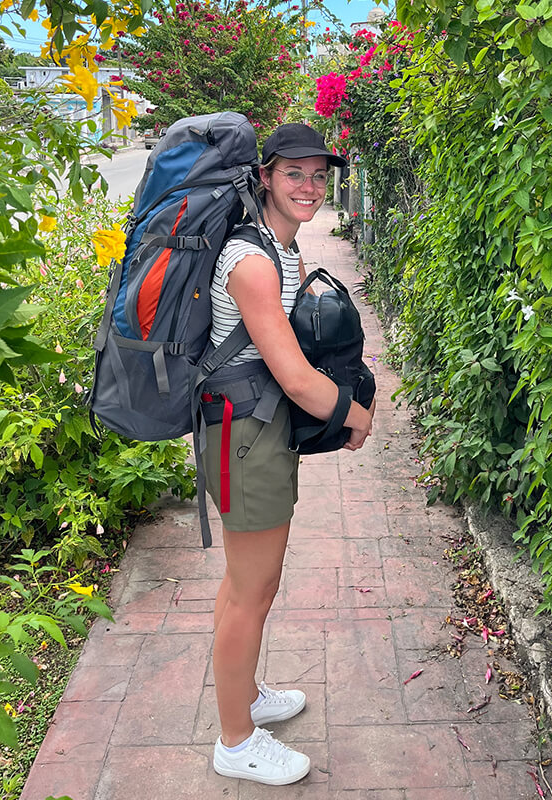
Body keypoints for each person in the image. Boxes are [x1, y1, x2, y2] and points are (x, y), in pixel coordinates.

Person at [204, 123, 375, 785]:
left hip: (256, 425)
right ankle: (235, 741)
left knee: (253, 582)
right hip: (244, 433)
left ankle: (244, 695)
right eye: (294, 174)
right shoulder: (252, 260)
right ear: (266, 177)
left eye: (318, 175)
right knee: (250, 592)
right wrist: (355, 416)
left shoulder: (282, 246)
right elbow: (296, 376)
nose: (309, 187)